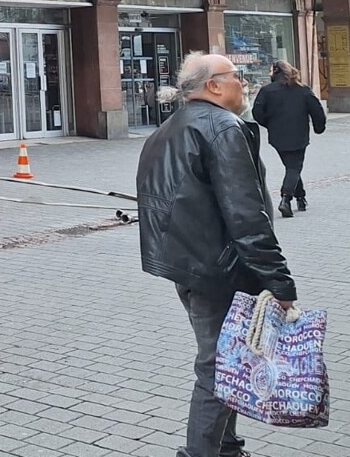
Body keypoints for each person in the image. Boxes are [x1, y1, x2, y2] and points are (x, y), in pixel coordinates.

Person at [137, 52, 297, 457]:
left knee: (230, 360)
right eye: (236, 76)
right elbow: (246, 215)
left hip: (188, 267)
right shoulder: (223, 127)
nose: (244, 84)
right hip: (220, 270)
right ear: (212, 85)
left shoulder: (169, 127)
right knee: (219, 366)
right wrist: (278, 280)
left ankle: (226, 447)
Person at [252, 60, 326, 218]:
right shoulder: (302, 90)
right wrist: (319, 127)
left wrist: (269, 124)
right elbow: (317, 109)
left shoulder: (266, 90)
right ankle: (286, 199)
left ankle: (301, 197)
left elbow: (257, 112)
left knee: (291, 166)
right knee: (294, 167)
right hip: (299, 134)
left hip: (277, 136)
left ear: (276, 71)